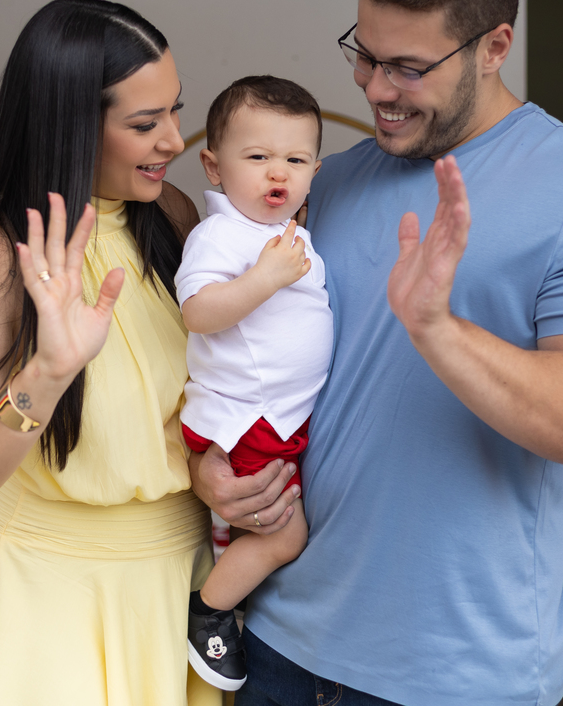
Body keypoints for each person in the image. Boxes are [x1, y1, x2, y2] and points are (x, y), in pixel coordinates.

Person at [189, 0, 563, 706]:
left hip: (453, 675)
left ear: (493, 46)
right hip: (277, 644)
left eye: (408, 67)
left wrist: (439, 330)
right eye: (366, 54)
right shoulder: (329, 183)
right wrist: (209, 467)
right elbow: (242, 358)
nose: (375, 88)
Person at [0, 0, 222, 706]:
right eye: (145, 124)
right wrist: (48, 374)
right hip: (51, 607)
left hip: (182, 587)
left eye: (176, 110)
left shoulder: (172, 218)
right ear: (74, 123)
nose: (174, 139)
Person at [176, 76, 332, 691]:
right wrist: (265, 279)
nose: (279, 173)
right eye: (258, 156)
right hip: (245, 416)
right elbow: (199, 312)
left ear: (314, 172)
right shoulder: (222, 235)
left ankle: (229, 595)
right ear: (214, 166)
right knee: (285, 533)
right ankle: (209, 612)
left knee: (263, 527)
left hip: (279, 417)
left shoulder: (289, 237)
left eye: (295, 160)